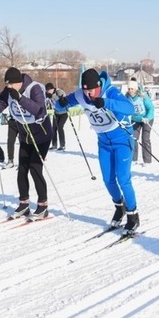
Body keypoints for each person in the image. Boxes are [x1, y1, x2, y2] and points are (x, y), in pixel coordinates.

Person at [55, 68, 140, 234]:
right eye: (85, 90)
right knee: (108, 179)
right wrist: (61, 103)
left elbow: (129, 108)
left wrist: (106, 103)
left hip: (122, 141)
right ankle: (119, 207)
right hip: (104, 143)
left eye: (91, 90)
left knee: (123, 179)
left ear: (99, 85)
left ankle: (133, 215)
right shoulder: (81, 94)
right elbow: (59, 107)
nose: (88, 94)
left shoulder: (111, 92)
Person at [0, 67, 53, 220]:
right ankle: (24, 204)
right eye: (7, 84)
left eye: (11, 84)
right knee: (22, 169)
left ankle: (43, 206)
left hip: (41, 135)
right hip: (25, 136)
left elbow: (39, 111)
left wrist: (20, 99)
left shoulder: (34, 88)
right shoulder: (9, 91)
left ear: (19, 82)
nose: (8, 87)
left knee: (35, 168)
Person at [125, 80, 154, 166]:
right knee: (133, 138)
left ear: (136, 89)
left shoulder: (143, 96)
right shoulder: (127, 98)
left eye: (132, 89)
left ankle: (147, 160)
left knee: (145, 139)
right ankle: (134, 159)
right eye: (129, 89)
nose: (130, 90)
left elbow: (151, 109)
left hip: (147, 119)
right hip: (136, 120)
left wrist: (147, 118)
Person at [45, 82, 68, 151]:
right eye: (47, 91)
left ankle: (62, 145)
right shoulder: (48, 94)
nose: (49, 92)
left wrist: (62, 99)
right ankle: (54, 145)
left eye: (49, 90)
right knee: (53, 128)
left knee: (60, 127)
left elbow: (64, 98)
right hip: (56, 113)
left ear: (52, 89)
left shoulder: (59, 92)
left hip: (64, 113)